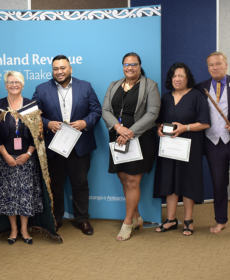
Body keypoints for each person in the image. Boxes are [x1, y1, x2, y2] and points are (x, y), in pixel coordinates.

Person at [32, 55, 101, 235]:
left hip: (80, 145)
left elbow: (96, 110)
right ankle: (56, 218)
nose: (59, 71)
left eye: (63, 68)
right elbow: (33, 114)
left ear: (70, 69)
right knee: (55, 185)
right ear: (52, 70)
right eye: (56, 68)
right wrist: (47, 123)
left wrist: (85, 123)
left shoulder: (85, 86)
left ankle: (82, 219)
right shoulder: (41, 89)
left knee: (80, 184)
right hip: (54, 146)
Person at [102, 52, 160, 241]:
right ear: (123, 66)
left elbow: (152, 113)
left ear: (139, 65)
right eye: (126, 64)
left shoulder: (150, 85)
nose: (130, 67)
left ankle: (127, 223)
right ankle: (136, 217)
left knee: (133, 181)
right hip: (117, 138)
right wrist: (119, 128)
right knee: (123, 178)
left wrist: (130, 133)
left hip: (140, 139)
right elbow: (105, 110)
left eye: (134, 64)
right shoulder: (114, 85)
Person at [154, 63, 210, 235]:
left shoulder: (196, 96)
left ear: (187, 78)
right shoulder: (165, 98)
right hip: (169, 147)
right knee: (169, 181)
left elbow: (205, 123)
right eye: (174, 76)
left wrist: (184, 128)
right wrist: (158, 128)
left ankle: (188, 220)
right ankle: (171, 220)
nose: (177, 79)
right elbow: (159, 121)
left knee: (188, 182)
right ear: (171, 79)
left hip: (190, 147)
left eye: (181, 76)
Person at [0, 71, 43, 245]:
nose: (14, 85)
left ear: (22, 85)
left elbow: (38, 134)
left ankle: (24, 229)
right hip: (5, 159)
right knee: (9, 195)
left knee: (25, 194)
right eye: (10, 82)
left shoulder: (31, 105)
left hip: (26, 158)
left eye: (17, 82)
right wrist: (5, 155)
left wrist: (28, 154)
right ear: (5, 85)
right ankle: (13, 229)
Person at [194, 51, 230, 234]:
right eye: (211, 65)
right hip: (214, 142)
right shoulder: (200, 88)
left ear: (226, 65)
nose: (215, 67)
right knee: (219, 183)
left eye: (218, 63)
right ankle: (221, 220)